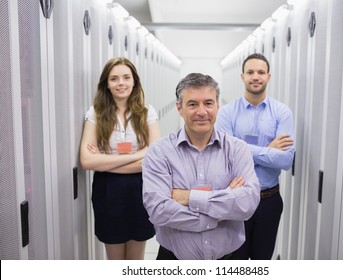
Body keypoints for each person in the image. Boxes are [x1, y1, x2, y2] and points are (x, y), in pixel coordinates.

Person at [142, 73, 260, 260]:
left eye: (208, 103)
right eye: (192, 104)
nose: (202, 111)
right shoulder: (159, 152)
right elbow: (158, 210)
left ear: (217, 106)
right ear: (179, 108)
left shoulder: (237, 149)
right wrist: (221, 210)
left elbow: (247, 204)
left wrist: (188, 197)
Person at [80, 57, 160, 260]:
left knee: (136, 258)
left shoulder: (147, 112)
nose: (121, 83)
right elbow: (87, 161)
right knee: (115, 257)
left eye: (126, 77)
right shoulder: (96, 114)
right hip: (108, 190)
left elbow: (155, 157)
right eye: (114, 78)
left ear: (134, 81)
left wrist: (104, 161)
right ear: (106, 84)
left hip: (141, 188)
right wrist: (139, 154)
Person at [215, 53, 295, 260]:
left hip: (268, 200)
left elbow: (286, 160)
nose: (255, 76)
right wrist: (269, 149)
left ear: (268, 76)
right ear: (242, 76)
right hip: (236, 199)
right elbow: (225, 156)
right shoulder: (227, 113)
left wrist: (241, 149)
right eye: (250, 72)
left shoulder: (282, 113)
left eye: (260, 72)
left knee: (262, 261)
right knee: (234, 262)